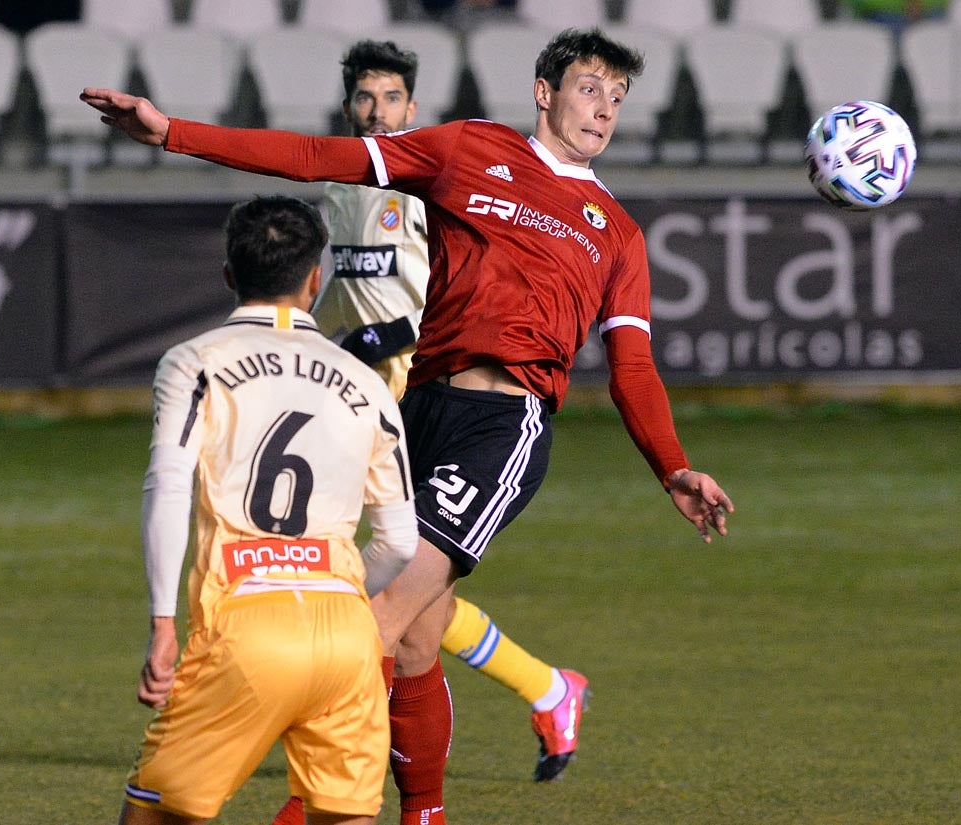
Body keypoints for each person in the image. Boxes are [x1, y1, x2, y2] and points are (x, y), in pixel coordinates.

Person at [82, 27, 735, 825]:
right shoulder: (468, 150)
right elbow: (319, 158)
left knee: (368, 627)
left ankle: (315, 806)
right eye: (590, 88)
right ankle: (424, 812)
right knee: (418, 640)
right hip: (415, 408)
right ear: (545, 90)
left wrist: (672, 465)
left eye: (617, 98)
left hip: (503, 423)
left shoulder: (616, 231)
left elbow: (632, 365)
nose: (604, 109)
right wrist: (172, 133)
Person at [312, 38, 592, 788]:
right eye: (365, 99)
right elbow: (338, 295)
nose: (378, 112)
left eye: (392, 99)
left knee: (391, 591)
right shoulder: (342, 193)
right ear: (348, 106)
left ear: (413, 106)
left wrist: (367, 341)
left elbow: (432, 303)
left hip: (424, 395)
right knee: (413, 593)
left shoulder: (421, 183)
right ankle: (546, 687)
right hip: (367, 408)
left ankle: (332, 781)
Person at [120, 194, 418, 825]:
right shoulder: (367, 383)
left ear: (229, 275)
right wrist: (337, 593)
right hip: (346, 634)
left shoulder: (194, 362)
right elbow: (398, 541)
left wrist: (162, 622)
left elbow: (168, 483)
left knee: (155, 812)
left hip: (244, 624)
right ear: (318, 276)